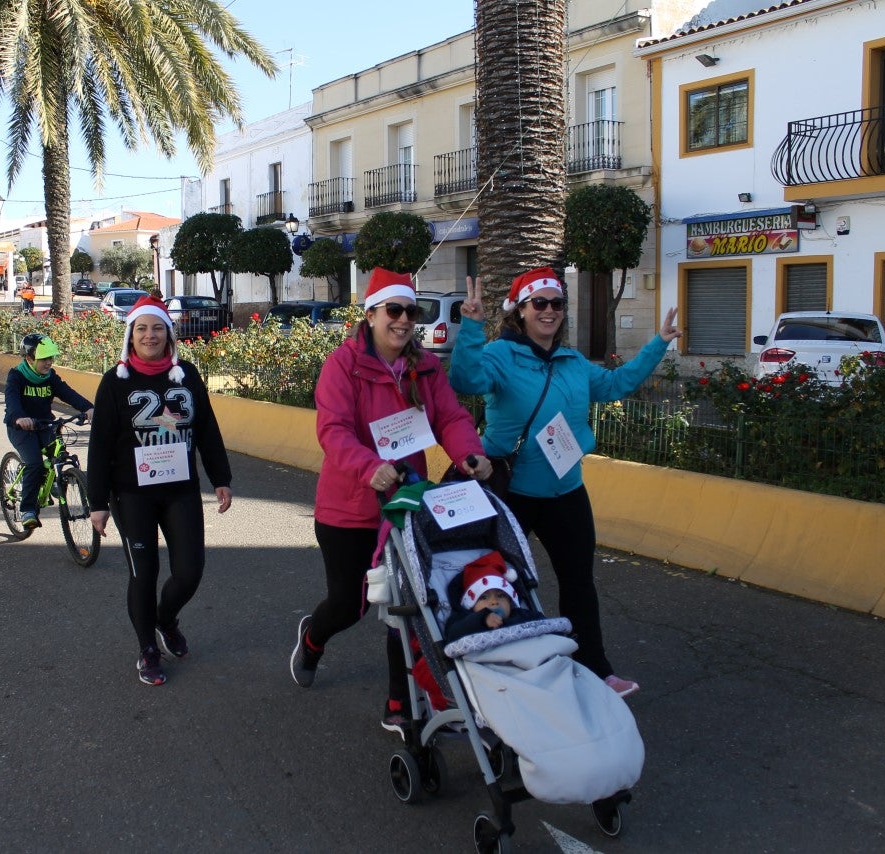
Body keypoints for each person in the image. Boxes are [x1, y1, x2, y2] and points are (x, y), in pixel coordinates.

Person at [448, 268, 683, 699]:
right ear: (521, 310)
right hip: (510, 493)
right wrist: (472, 325)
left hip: (566, 492)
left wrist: (659, 343)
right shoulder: (500, 355)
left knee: (579, 584)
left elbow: (616, 384)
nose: (550, 311)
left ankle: (595, 668)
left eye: (557, 303)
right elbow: (464, 381)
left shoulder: (573, 362)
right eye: (539, 303)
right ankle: (499, 676)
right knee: (499, 583)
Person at [289, 267, 491, 737]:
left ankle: (400, 703)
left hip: (405, 506)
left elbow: (450, 418)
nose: (403, 321)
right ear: (371, 314)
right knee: (350, 604)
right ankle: (313, 638)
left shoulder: (426, 367)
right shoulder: (343, 365)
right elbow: (333, 429)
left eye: (410, 312)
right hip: (348, 508)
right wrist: (369, 467)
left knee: (409, 604)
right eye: (393, 311)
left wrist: (469, 454)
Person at [87, 296, 233, 687]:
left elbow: (205, 427)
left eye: (157, 328)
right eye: (141, 329)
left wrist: (220, 477)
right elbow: (99, 445)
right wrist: (97, 502)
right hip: (131, 493)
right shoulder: (115, 381)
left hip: (180, 489)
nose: (149, 336)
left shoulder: (186, 374)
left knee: (189, 571)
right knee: (144, 573)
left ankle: (165, 620)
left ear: (168, 334)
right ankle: (147, 648)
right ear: (130, 335)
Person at [3, 334, 94, 530]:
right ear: (29, 359)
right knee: (34, 463)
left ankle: (54, 479)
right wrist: (19, 418)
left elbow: (68, 393)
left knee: (60, 454)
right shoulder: (17, 376)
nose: (49, 362)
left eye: (51, 358)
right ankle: (28, 510)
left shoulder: (50, 376)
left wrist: (88, 408)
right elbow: (12, 401)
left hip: (45, 425)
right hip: (21, 428)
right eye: (44, 359)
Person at [442, 552, 540, 643]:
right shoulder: (463, 619)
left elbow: (542, 623)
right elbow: (453, 634)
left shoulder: (521, 615)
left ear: (510, 602)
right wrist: (482, 619)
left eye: (501, 595)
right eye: (484, 597)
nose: (494, 601)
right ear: (471, 604)